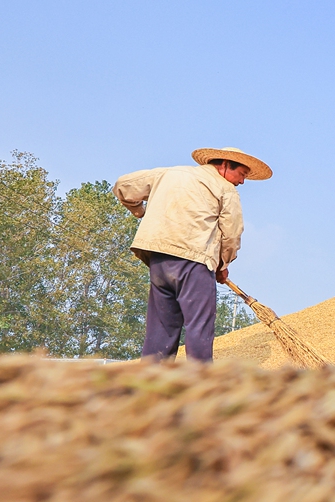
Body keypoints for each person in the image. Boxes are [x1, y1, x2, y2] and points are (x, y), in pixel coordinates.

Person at [112, 147, 272, 362]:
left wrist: (140, 212)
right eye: (242, 174)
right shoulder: (225, 189)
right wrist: (222, 265)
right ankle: (199, 384)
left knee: (161, 327)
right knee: (200, 325)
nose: (242, 181)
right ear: (224, 165)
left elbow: (123, 185)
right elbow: (232, 233)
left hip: (159, 260)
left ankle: (150, 383)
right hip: (194, 261)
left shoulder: (169, 173)